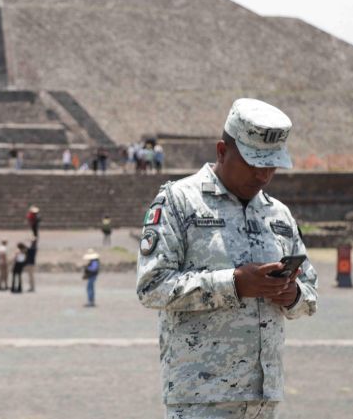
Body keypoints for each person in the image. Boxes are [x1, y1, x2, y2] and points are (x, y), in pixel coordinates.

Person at [136, 98, 318, 419]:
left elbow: (310, 290)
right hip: (201, 398)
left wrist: (293, 295)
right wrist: (233, 283)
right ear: (222, 151)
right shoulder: (179, 202)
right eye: (253, 163)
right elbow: (152, 286)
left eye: (271, 165)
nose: (263, 176)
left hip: (263, 398)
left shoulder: (278, 214)